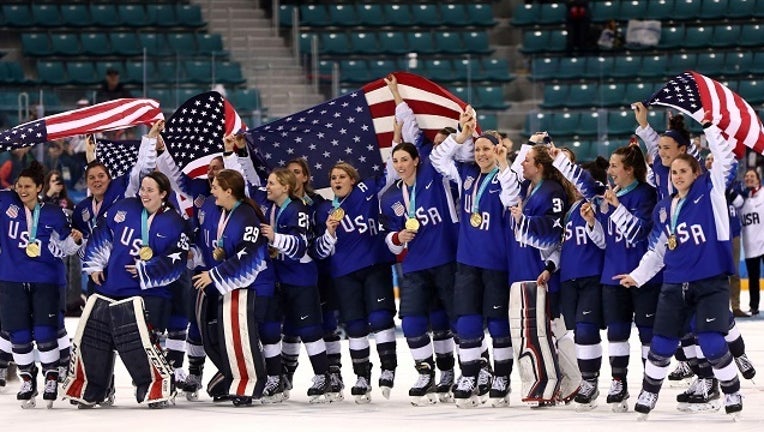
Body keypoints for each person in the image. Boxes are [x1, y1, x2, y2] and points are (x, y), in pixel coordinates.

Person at [614, 120, 744, 419]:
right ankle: (650, 390)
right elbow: (658, 250)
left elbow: (726, 159)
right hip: (675, 283)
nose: (678, 175)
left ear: (697, 173)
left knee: (711, 341)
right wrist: (638, 275)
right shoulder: (666, 209)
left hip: (710, 282)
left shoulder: (711, 196)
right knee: (662, 344)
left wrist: (710, 127)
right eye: (674, 172)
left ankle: (732, 389)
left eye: (684, 171)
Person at [554, 141, 659, 412]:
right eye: (610, 165)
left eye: (614, 166)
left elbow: (637, 233)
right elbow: (604, 241)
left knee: (647, 335)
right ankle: (618, 382)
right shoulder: (610, 195)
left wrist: (617, 208)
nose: (610, 171)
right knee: (617, 333)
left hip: (642, 275)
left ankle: (649, 386)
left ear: (630, 169)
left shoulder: (647, 194)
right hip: (612, 275)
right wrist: (592, 223)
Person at [69, 171, 188, 408]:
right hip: (111, 287)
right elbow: (102, 234)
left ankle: (156, 386)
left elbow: (179, 258)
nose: (144, 194)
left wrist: (147, 270)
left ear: (163, 194)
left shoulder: (174, 221)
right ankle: (96, 389)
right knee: (94, 339)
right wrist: (93, 265)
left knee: (137, 341)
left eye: (150, 190)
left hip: (149, 293)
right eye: (142, 189)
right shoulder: (123, 208)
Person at [430, 120, 517, 408]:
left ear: (498, 151)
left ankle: (501, 378)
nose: (481, 154)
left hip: (496, 264)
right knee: (466, 320)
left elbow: (512, 196)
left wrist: (504, 164)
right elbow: (437, 158)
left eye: (487, 149)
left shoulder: (506, 177)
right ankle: (469, 375)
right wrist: (463, 135)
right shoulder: (466, 173)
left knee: (497, 323)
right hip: (466, 262)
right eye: (477, 149)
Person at [380, 141, 459, 405]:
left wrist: (459, 135)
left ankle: (452, 372)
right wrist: (398, 237)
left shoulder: (434, 178)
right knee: (412, 322)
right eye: (396, 161)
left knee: (448, 321)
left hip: (446, 260)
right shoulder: (390, 197)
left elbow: (441, 154)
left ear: (416, 160)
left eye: (404, 159)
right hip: (414, 266)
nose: (400, 165)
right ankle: (425, 373)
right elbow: (389, 239)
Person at [312, 162, 397, 403]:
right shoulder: (325, 210)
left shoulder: (366, 190)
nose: (336, 181)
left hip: (373, 266)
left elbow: (391, 171)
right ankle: (362, 376)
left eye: (341, 176)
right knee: (355, 326)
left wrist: (400, 129)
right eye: (333, 178)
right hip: (344, 273)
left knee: (380, 318)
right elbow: (320, 251)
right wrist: (329, 232)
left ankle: (388, 367)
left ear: (352, 179)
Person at [0, 161, 83, 408]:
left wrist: (75, 241)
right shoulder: (5, 203)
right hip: (11, 278)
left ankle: (51, 376)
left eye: (27, 186)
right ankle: (27, 379)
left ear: (39, 188)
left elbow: (67, 248)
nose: (22, 190)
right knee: (19, 334)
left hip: (46, 279)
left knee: (46, 332)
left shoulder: (54, 213)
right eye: (19, 186)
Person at [190, 169, 274, 406]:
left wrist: (214, 275)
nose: (212, 190)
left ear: (229, 191)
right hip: (235, 286)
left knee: (242, 337)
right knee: (219, 335)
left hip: (255, 287)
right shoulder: (227, 212)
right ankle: (233, 378)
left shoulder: (246, 216)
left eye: (216, 186)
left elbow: (247, 257)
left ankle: (246, 385)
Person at [258, 167, 332, 403]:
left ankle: (323, 376)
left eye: (271, 183)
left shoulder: (298, 209)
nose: (267, 187)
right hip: (275, 278)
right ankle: (274, 378)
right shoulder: (268, 206)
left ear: (285, 187)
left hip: (300, 277)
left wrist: (274, 238)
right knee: (269, 329)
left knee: (309, 330)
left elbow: (300, 245)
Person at [282, 158, 345, 400]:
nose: (293, 176)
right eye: (288, 172)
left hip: (321, 273)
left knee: (326, 324)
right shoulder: (280, 205)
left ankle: (332, 373)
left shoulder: (319, 205)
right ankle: (286, 374)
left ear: (306, 177)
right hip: (290, 274)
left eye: (297, 172)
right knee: (290, 326)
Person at [552, 154, 609, 409]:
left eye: (579, 183)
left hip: (590, 277)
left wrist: (592, 222)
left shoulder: (598, 206)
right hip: (569, 278)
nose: (575, 187)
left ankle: (590, 382)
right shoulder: (570, 208)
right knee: (577, 333)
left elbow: (603, 242)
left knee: (587, 330)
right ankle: (587, 378)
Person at [707, 154, 748, 318]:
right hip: (713, 235)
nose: (710, 161)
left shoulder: (734, 184)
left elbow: (740, 203)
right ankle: (716, 307)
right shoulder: (702, 185)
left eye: (713, 159)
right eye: (708, 159)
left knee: (734, 272)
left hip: (733, 233)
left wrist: (728, 189)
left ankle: (735, 305)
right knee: (713, 273)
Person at [738, 169, 763, 316]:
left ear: (758, 179)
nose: (749, 179)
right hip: (750, 244)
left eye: (752, 176)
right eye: (747, 177)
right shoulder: (741, 200)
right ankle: (754, 307)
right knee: (753, 279)